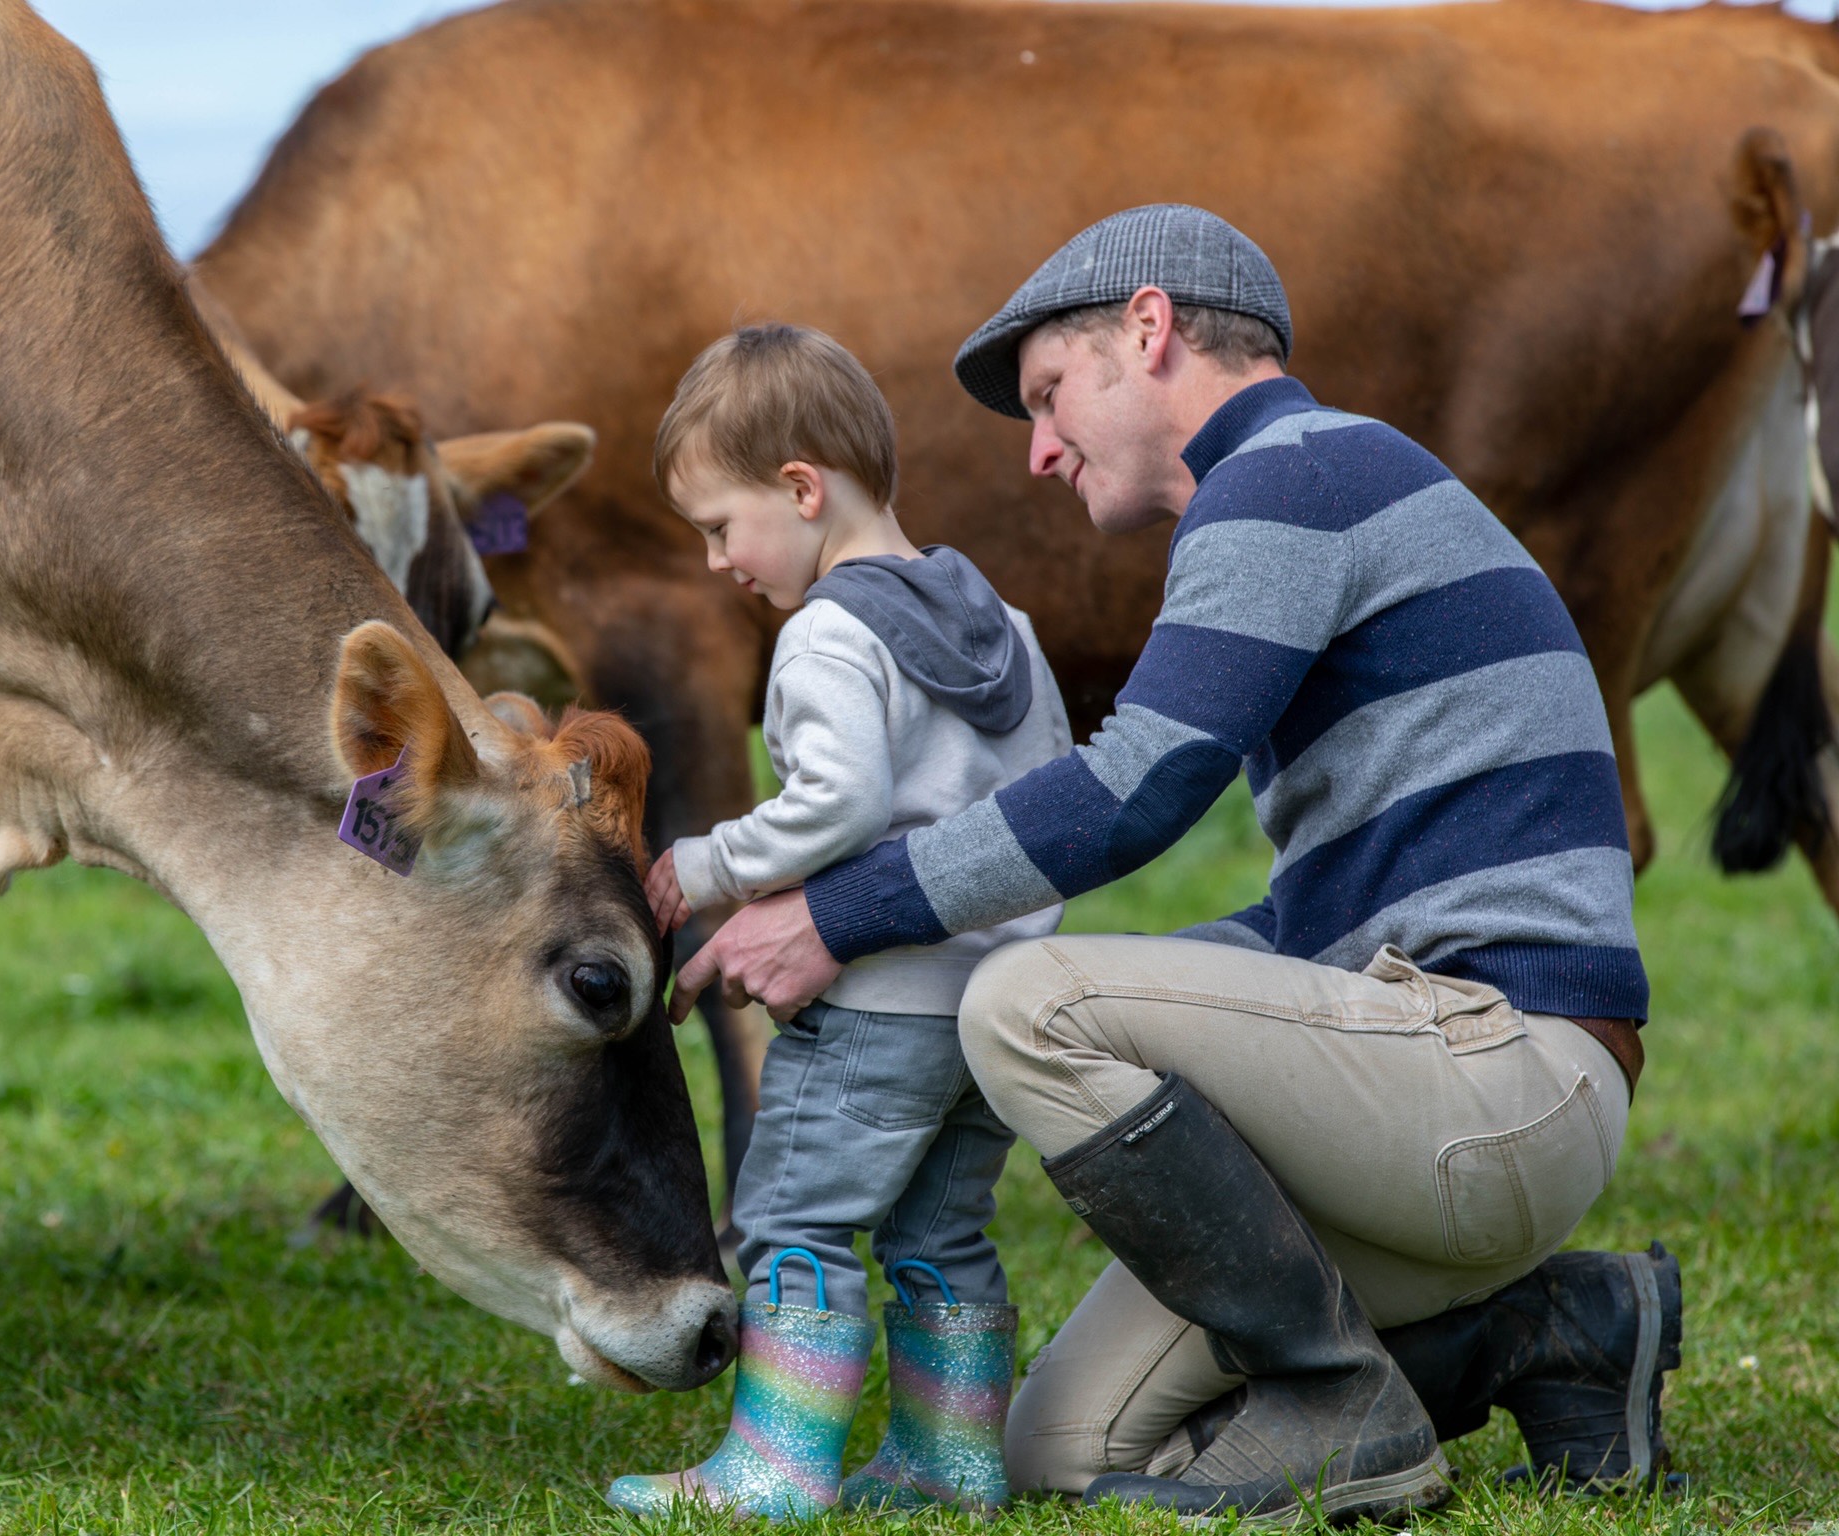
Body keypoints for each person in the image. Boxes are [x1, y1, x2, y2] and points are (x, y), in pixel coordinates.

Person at [676, 205, 1680, 1523]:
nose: (1037, 453)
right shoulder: (1320, 480)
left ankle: (1339, 1401)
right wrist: (1146, 1082)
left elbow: (1133, 790)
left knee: (1026, 1006)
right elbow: (1328, 901)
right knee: (1059, 1445)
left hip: (1496, 1073)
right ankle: (1554, 1331)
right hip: (1449, 1087)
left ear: (1148, 330)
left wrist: (838, 914)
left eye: (1049, 396)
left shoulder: (1288, 478)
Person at [605, 325, 1075, 1519]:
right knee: (942, 1232)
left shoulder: (826, 633)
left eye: (720, 526)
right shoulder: (1004, 626)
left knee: (793, 1221)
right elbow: (1051, 805)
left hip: (871, 1005)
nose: (717, 560)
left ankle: (773, 1469)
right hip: (989, 1010)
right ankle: (949, 1459)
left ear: (803, 490)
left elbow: (840, 800)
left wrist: (708, 863)